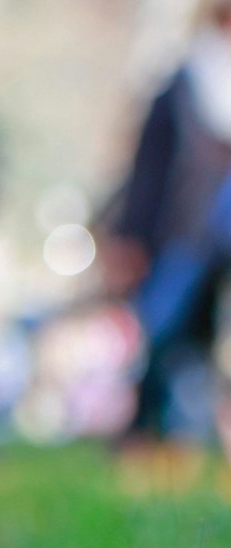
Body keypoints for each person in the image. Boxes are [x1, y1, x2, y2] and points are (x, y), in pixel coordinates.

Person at [105, 1, 231, 454]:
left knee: (205, 340)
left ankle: (191, 436)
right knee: (165, 331)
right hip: (187, 232)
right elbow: (150, 169)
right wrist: (131, 236)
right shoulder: (184, 84)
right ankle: (144, 432)